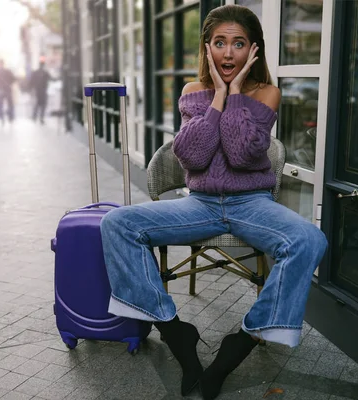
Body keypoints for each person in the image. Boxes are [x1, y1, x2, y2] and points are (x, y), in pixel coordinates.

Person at [100, 5, 328, 400]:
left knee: (309, 240)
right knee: (116, 224)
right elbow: (193, 155)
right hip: (200, 204)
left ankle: (236, 348)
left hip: (251, 204)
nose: (228, 53)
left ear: (253, 50)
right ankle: (175, 332)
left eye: (238, 44)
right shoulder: (193, 92)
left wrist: (236, 93)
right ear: (207, 48)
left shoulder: (267, 93)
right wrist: (218, 97)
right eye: (219, 43)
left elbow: (241, 154)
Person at [0, 59, 16, 124]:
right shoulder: (8, 71)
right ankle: (10, 117)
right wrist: (9, 83)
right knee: (10, 103)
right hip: (7, 89)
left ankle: (1, 117)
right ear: (3, 64)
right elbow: (14, 79)